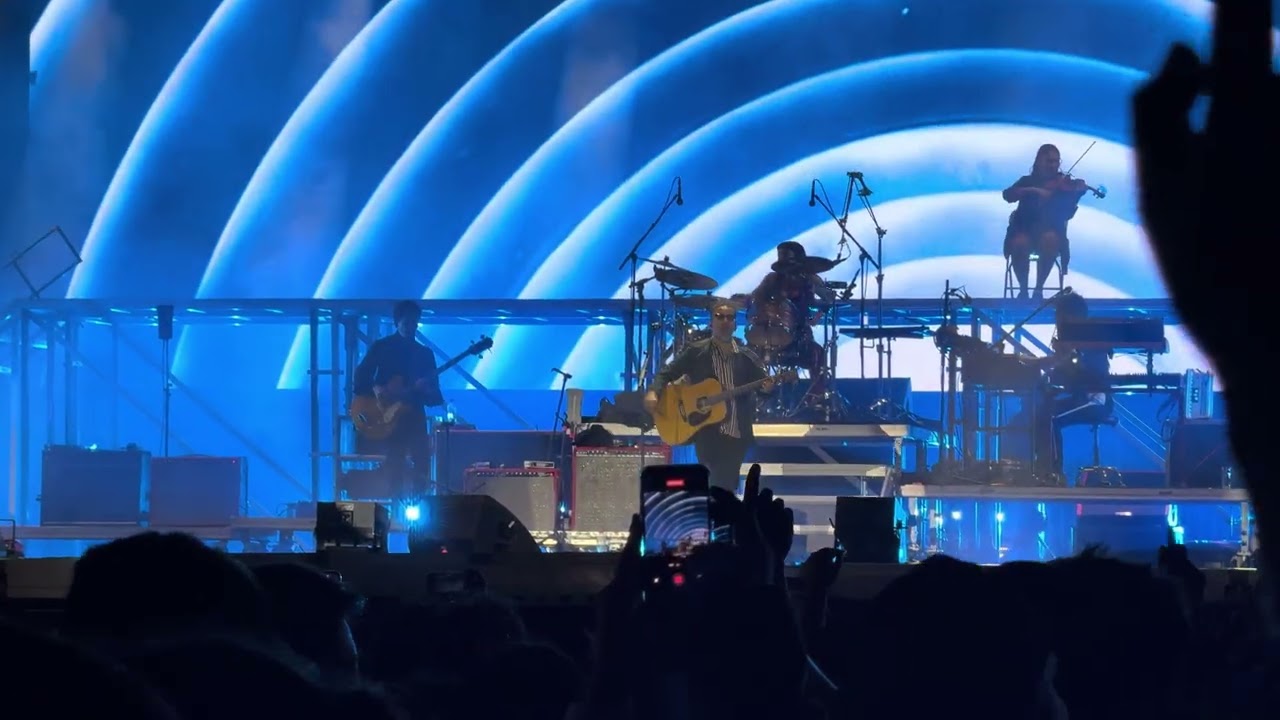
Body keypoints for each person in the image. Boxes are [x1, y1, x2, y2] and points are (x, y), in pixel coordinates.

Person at [644, 300, 776, 492]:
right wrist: (654, 392)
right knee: (716, 483)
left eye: (729, 317)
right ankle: (720, 516)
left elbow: (763, 386)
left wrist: (768, 388)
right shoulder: (697, 351)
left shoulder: (746, 356)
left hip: (736, 431)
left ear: (735, 325)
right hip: (705, 429)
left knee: (726, 484)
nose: (724, 321)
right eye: (719, 317)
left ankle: (720, 516)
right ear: (711, 322)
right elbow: (667, 372)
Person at [1011, 293, 1113, 478]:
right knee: (1040, 412)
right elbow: (1059, 368)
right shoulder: (1075, 341)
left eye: (1060, 315)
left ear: (1073, 317)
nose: (1057, 320)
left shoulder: (1089, 339)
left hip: (1094, 400)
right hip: (1079, 397)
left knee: (1048, 416)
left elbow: (1081, 372)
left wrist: (1059, 359)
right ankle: (1040, 467)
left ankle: (1051, 472)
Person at [353, 300, 443, 499]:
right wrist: (376, 389)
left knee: (422, 462)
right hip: (387, 418)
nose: (411, 327)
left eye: (415, 323)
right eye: (407, 323)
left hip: (414, 417)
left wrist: (425, 389)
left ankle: (420, 506)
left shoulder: (424, 353)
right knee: (394, 461)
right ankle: (395, 507)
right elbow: (360, 377)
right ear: (397, 322)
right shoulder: (382, 347)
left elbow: (435, 395)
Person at [1002, 144, 1090, 299]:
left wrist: (1077, 195)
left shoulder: (1063, 184)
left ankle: (1038, 289)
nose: (1053, 165)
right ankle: (1023, 290)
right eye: (1049, 161)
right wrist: (1032, 190)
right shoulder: (1027, 181)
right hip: (1024, 229)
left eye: (1056, 161)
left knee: (1050, 239)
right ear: (1038, 162)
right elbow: (1007, 195)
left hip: (1051, 230)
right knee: (1019, 242)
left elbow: (1067, 213)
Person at [748, 241, 834, 373]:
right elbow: (755, 298)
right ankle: (756, 389)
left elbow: (826, 301)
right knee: (748, 357)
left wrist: (818, 313)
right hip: (769, 332)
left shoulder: (810, 280)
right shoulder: (771, 279)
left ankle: (816, 394)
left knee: (818, 356)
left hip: (800, 332)